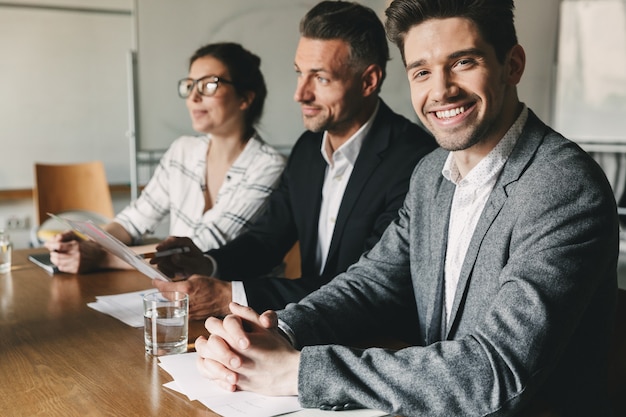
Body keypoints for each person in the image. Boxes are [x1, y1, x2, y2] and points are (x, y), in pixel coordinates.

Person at [194, 0, 620, 416]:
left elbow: (494, 374)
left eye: (463, 62)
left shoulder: (562, 185)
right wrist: (275, 331)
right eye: (422, 71)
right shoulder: (431, 172)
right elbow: (372, 283)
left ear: (513, 65)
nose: (441, 91)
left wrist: (299, 371)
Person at [151, 1, 436, 319]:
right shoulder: (308, 148)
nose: (300, 94)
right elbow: (267, 238)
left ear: (369, 81)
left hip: (375, 336)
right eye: (300, 74)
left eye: (321, 78)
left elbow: (366, 286)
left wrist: (233, 296)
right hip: (306, 325)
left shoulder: (416, 162)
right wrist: (206, 262)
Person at [45, 42, 286, 274]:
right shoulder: (182, 150)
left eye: (209, 85)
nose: (193, 97)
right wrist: (86, 243)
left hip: (237, 300)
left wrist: (101, 257)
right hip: (176, 291)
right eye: (190, 85)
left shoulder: (268, 165)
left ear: (246, 98)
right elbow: (132, 221)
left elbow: (201, 248)